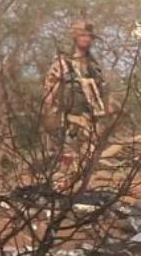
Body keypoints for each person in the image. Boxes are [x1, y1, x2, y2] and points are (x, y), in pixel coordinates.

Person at [42, 19, 109, 174]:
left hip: (90, 122)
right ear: (75, 37)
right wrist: (52, 119)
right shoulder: (63, 63)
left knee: (88, 165)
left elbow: (102, 93)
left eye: (89, 36)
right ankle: (59, 193)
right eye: (82, 35)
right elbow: (49, 93)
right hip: (69, 120)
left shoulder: (94, 66)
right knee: (66, 162)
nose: (86, 39)